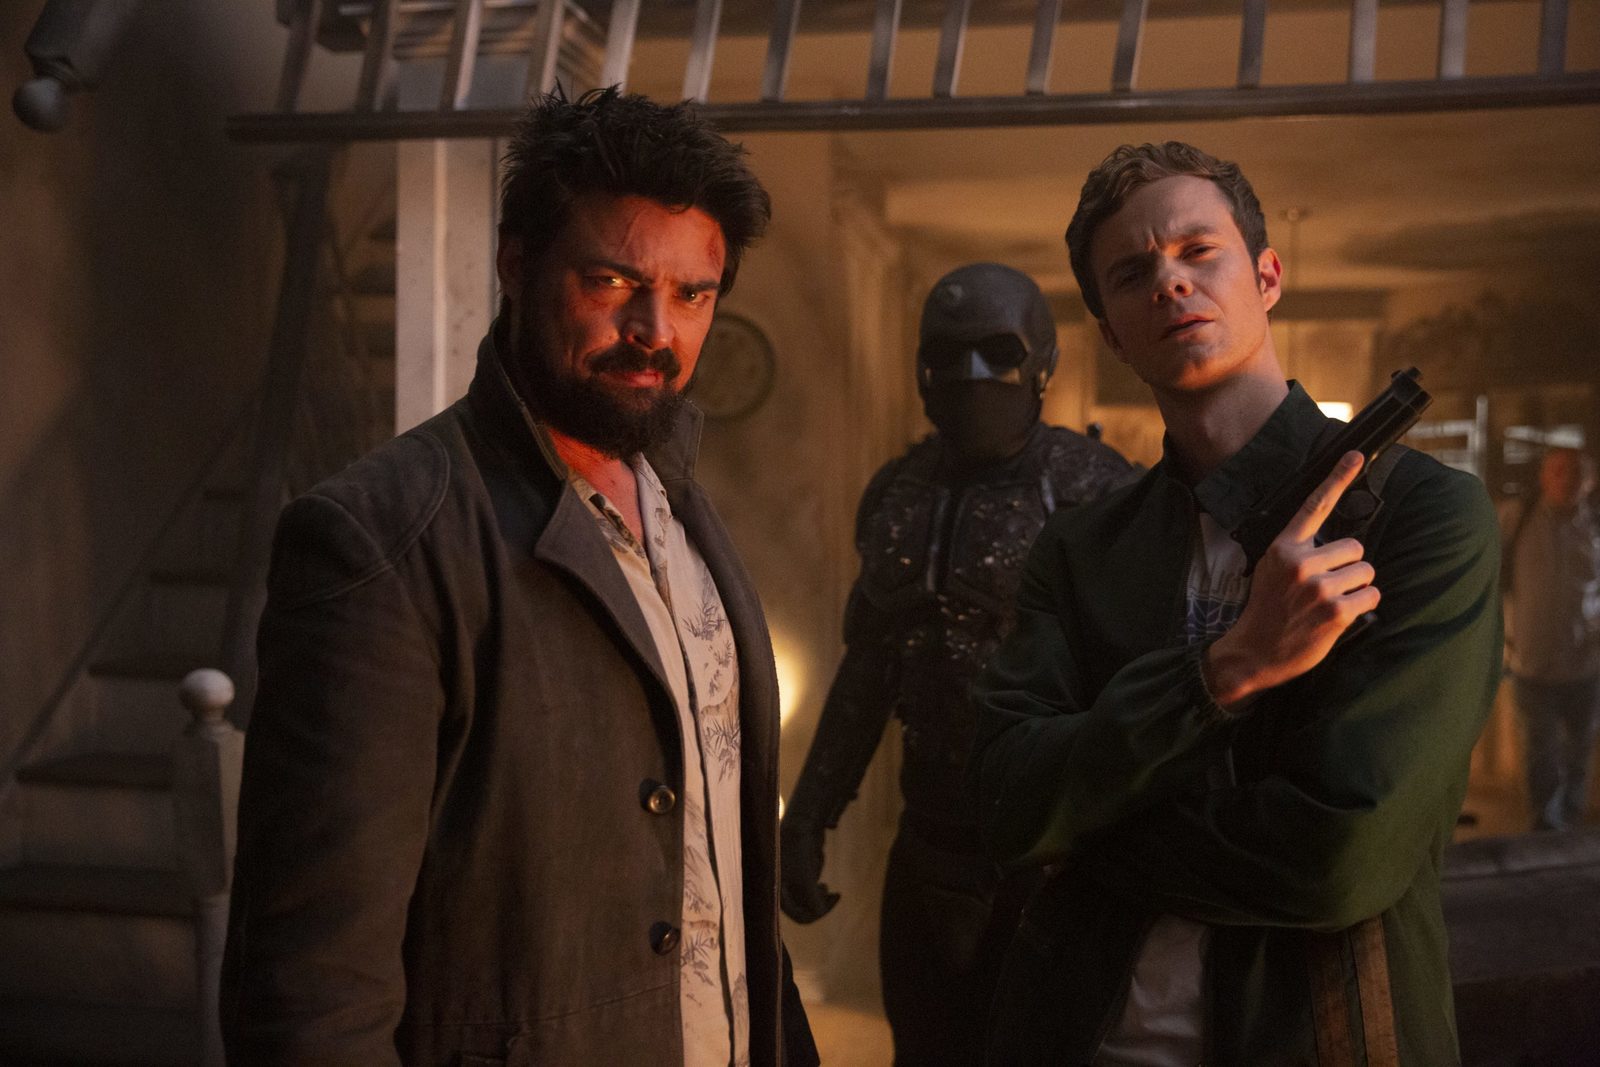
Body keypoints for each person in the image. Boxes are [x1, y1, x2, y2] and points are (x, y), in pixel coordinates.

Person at [221, 87, 818, 1067]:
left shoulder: (681, 510)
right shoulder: (382, 540)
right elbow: (312, 993)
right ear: (515, 264)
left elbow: (728, 876)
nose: (655, 328)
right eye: (612, 280)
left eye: (692, 294)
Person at [969, 142, 1502, 1064]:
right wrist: (1227, 669)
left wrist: (1087, 837)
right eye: (1132, 274)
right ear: (1111, 333)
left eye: (1198, 251)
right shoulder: (1082, 549)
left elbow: (1339, 857)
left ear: (1267, 276)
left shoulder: (1426, 516)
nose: (1169, 283)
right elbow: (1008, 801)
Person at [779, 263, 1132, 1064]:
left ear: (1039, 364)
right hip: (927, 842)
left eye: (996, 354)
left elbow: (1138, 679)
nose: (973, 378)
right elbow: (871, 669)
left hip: (1052, 856)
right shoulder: (899, 492)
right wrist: (810, 813)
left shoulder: (1091, 490)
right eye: (949, 356)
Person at [1505, 446, 1600, 831]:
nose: (1566, 480)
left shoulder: (1595, 527)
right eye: (1557, 470)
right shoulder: (1517, 520)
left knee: (1578, 756)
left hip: (1585, 667)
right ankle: (1545, 831)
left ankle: (1568, 827)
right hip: (1531, 666)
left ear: (1590, 481)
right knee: (1539, 757)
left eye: (1576, 472)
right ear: (1543, 477)